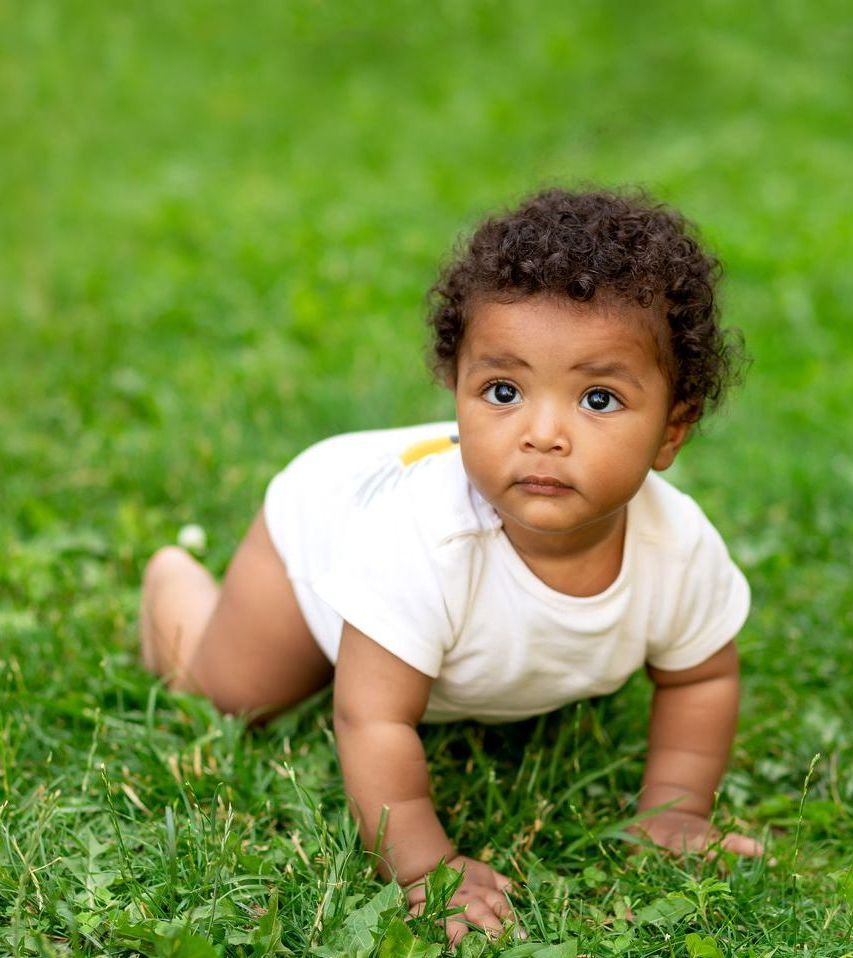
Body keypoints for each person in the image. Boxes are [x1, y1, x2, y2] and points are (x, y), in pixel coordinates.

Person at [140, 187, 764, 945]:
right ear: (458, 391)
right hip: (320, 531)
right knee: (238, 695)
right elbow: (371, 718)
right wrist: (424, 866)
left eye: (597, 399)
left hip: (421, 595)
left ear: (672, 431)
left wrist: (675, 809)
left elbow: (700, 677)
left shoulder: (679, 548)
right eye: (502, 391)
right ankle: (173, 588)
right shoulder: (423, 544)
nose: (542, 433)